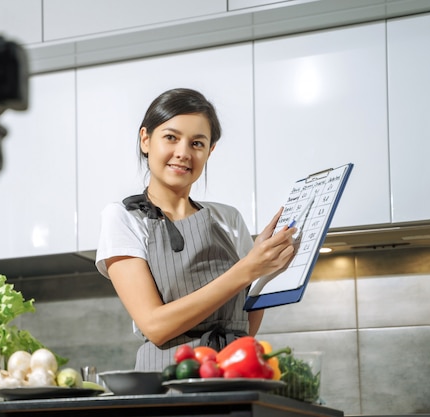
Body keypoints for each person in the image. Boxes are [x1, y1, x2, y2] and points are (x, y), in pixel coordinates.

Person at [95, 88, 297, 371]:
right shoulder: (123, 218)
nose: (183, 153)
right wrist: (248, 269)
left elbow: (244, 329)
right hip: (167, 385)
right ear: (145, 140)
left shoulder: (228, 219)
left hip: (232, 375)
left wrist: (265, 273)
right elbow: (155, 325)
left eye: (197, 143)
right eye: (171, 137)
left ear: (209, 151)